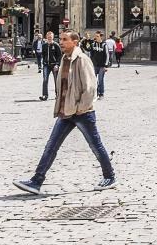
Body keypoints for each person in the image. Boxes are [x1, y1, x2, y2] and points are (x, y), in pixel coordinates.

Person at [13, 30, 116, 194]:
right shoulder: (64, 58)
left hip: (82, 113)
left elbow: (90, 88)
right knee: (51, 146)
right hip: (66, 111)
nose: (61, 42)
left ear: (75, 42)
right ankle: (36, 181)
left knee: (95, 145)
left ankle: (109, 176)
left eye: (64, 39)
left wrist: (80, 107)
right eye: (60, 39)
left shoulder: (82, 59)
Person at [85, 32, 109, 99]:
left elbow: (107, 56)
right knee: (94, 80)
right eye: (95, 36)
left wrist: (106, 66)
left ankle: (101, 93)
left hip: (102, 65)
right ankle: (95, 93)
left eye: (97, 36)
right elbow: (90, 54)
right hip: (94, 65)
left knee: (100, 79)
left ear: (101, 37)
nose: (96, 37)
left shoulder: (104, 45)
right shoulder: (93, 44)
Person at [39, 32, 60, 101]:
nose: (49, 38)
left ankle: (58, 95)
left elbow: (59, 56)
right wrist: (43, 62)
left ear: (53, 37)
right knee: (45, 80)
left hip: (54, 65)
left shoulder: (56, 45)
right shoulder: (44, 45)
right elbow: (43, 54)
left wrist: (57, 64)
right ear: (46, 37)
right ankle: (45, 95)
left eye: (50, 37)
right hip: (46, 65)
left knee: (56, 80)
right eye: (48, 37)